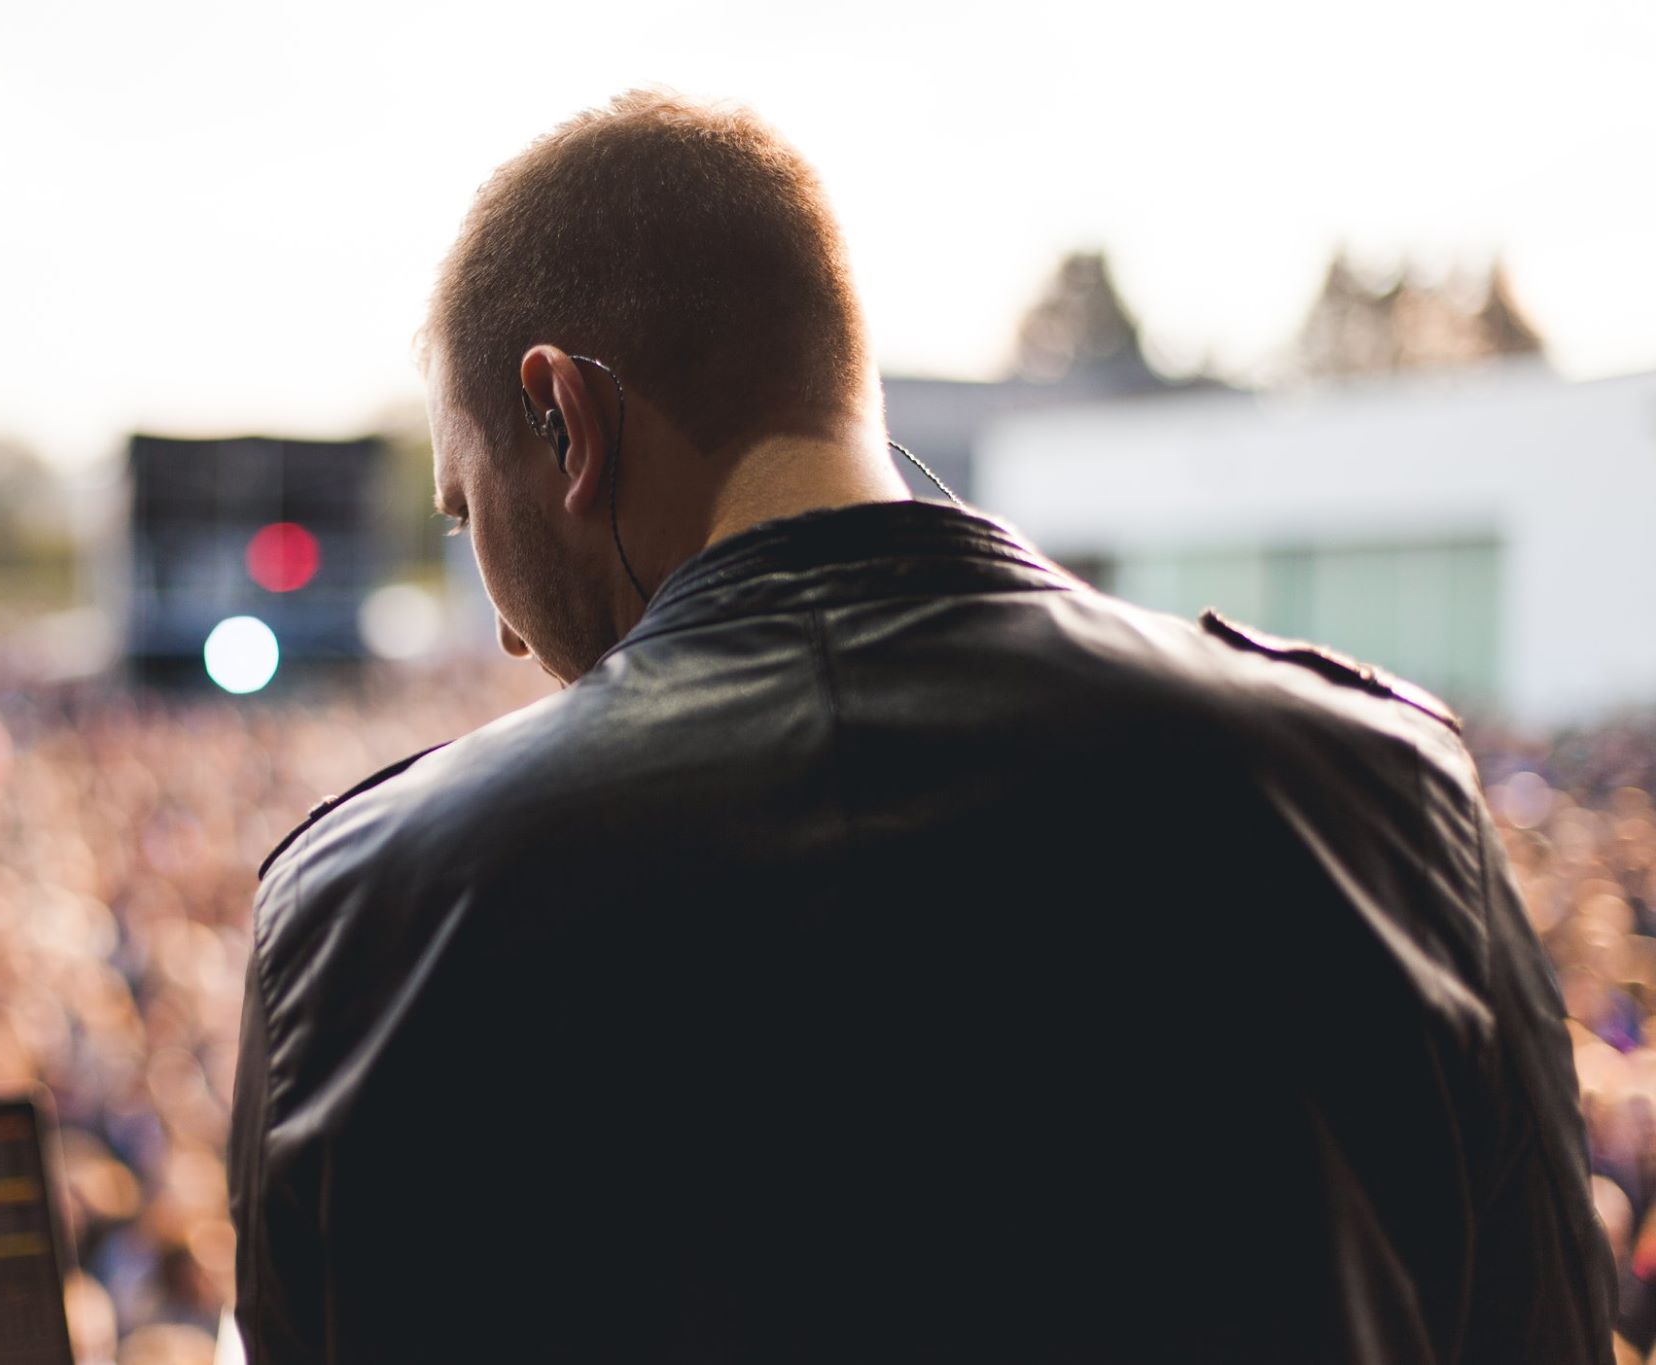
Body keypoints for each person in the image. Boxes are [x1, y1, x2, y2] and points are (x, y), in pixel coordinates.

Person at [226, 87, 1612, 1362]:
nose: (512, 634)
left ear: (563, 418)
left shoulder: (364, 911)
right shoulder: (1382, 794)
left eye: (470, 513)